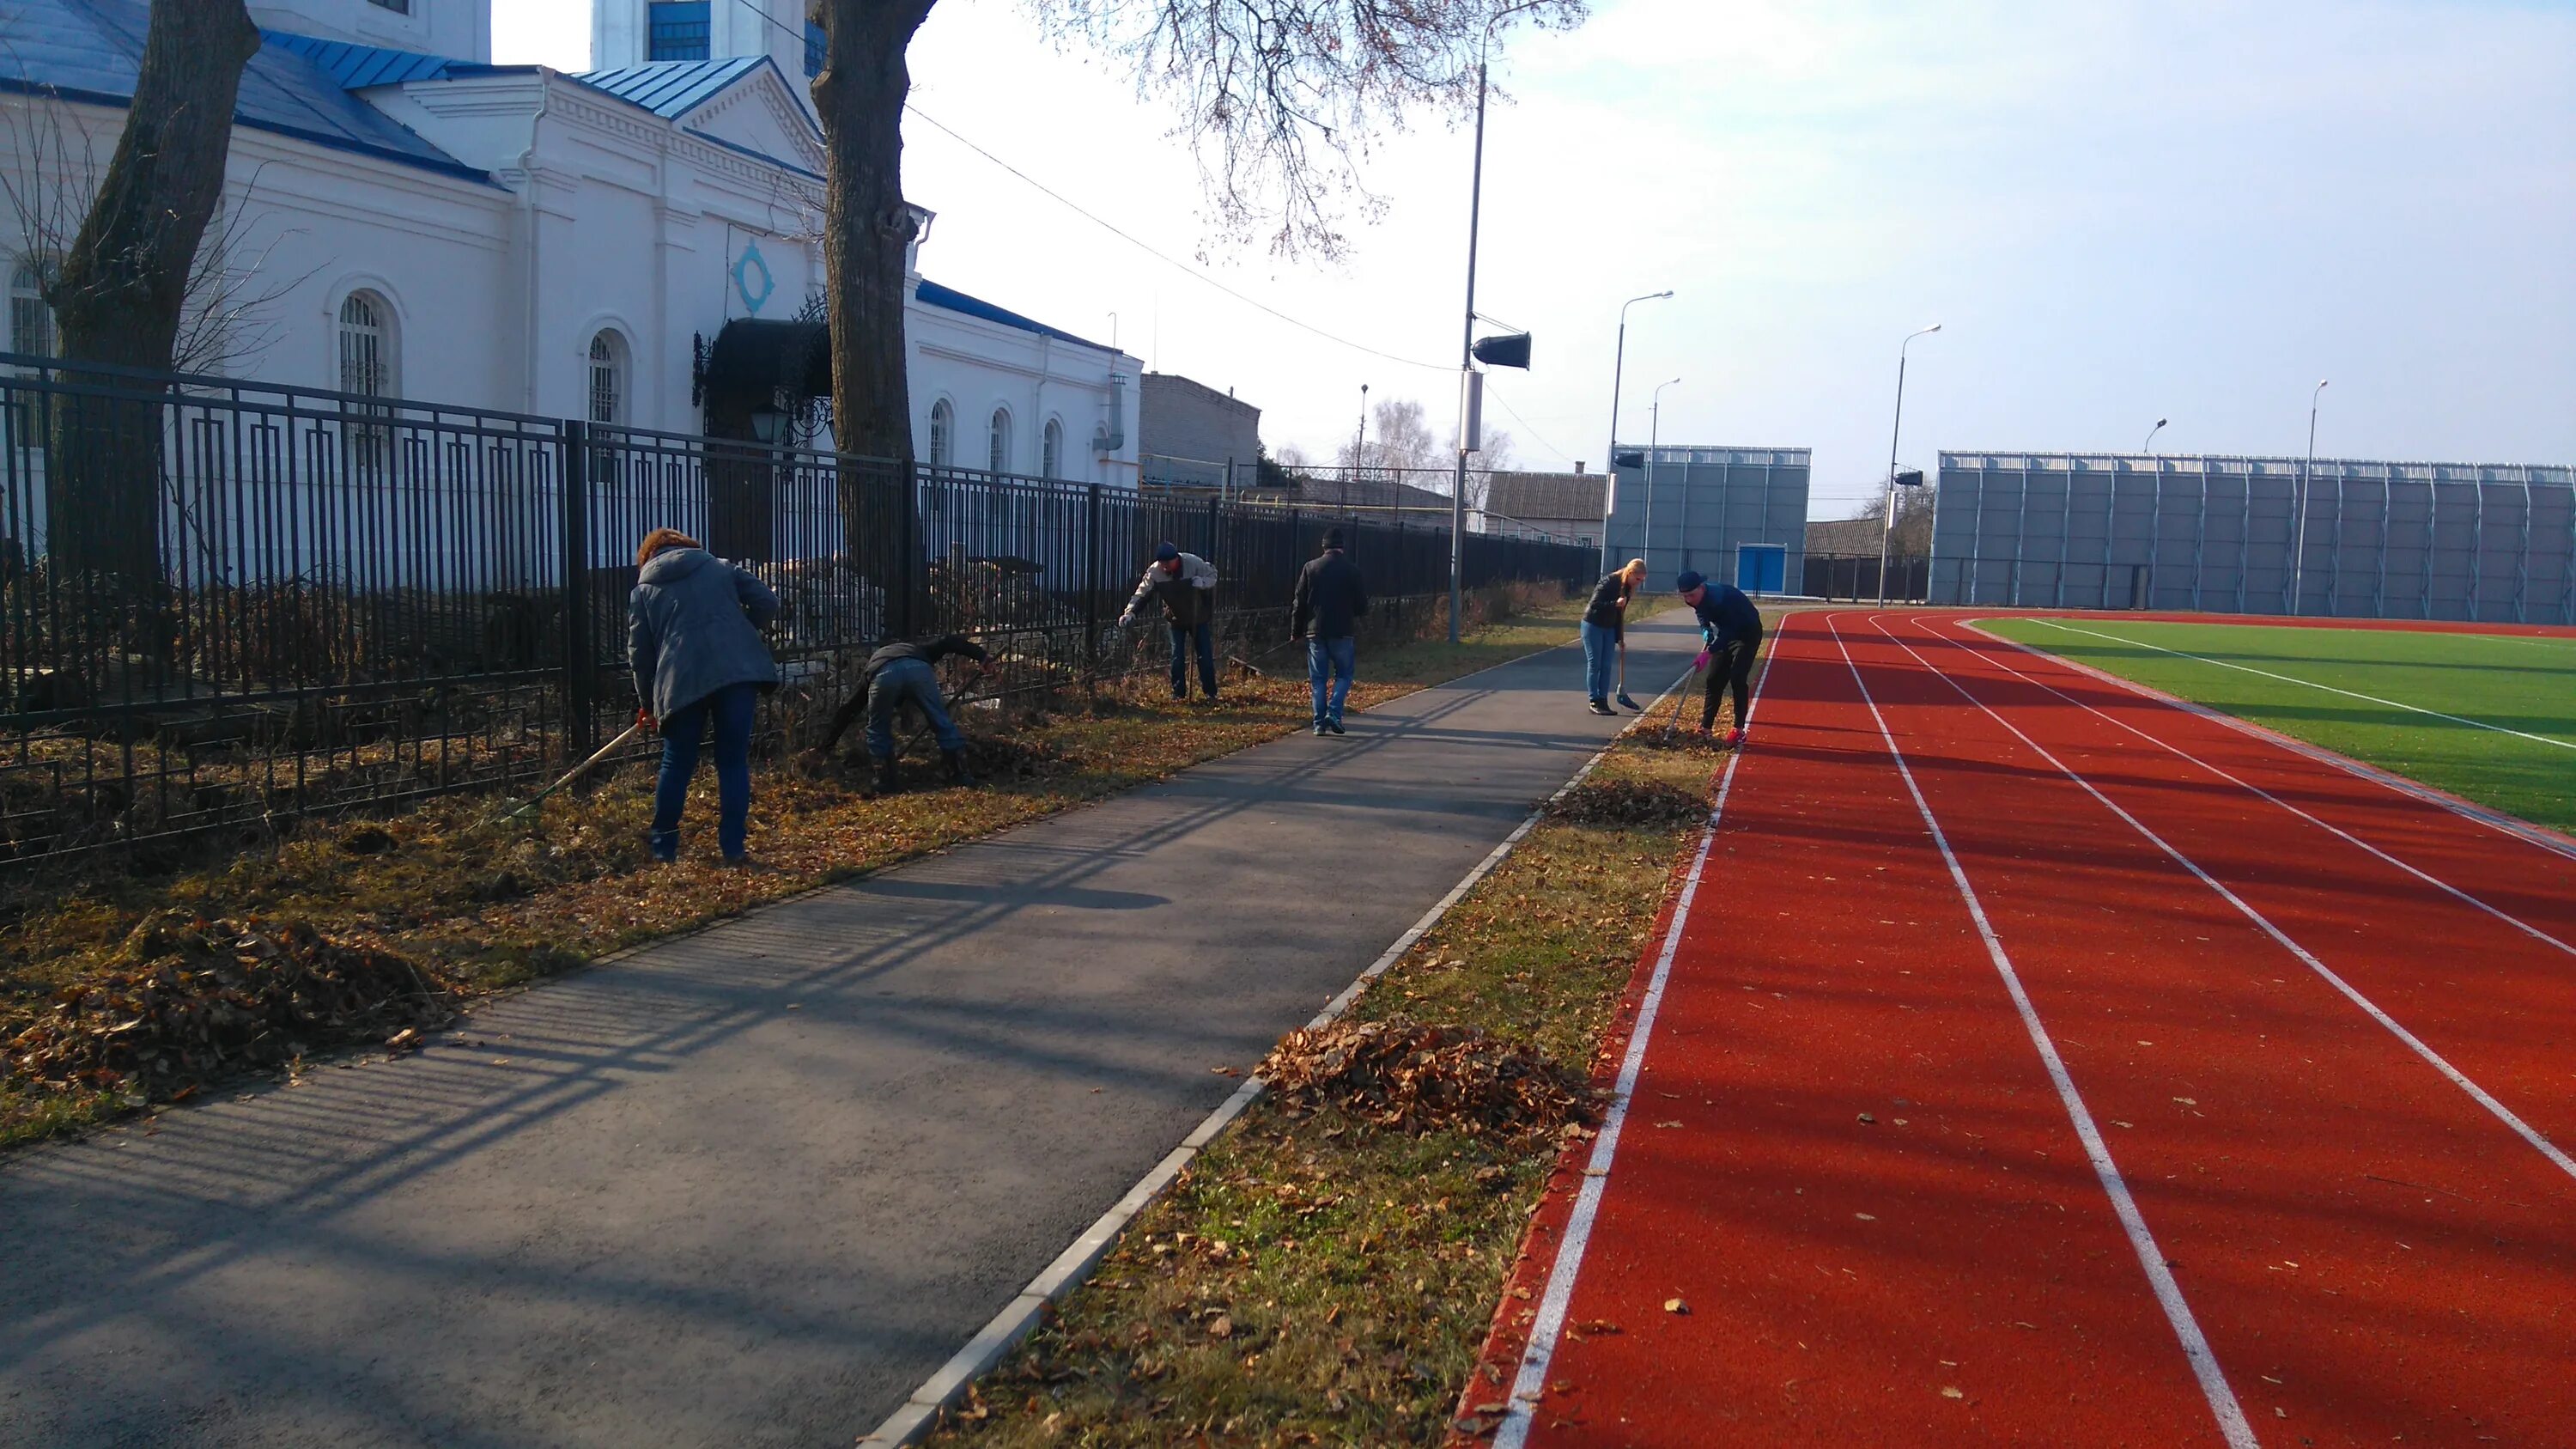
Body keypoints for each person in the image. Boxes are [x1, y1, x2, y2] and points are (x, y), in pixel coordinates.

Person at [629, 527, 781, 864]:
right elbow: (768, 601)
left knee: (677, 762)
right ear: (688, 546)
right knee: (732, 761)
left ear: (648, 557)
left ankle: (664, 849)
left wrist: (647, 704)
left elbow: (641, 655)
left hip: (681, 682)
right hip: (736, 674)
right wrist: (743, 630)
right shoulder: (721, 567)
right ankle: (733, 848)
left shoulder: (643, 591)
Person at [814, 633, 993, 795]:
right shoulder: (920, 649)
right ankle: (960, 774)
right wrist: (981, 656)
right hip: (918, 669)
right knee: (940, 720)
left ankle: (886, 780)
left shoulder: (874, 663)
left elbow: (849, 709)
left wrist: (826, 746)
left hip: (883, 674)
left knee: (878, 728)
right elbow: (948, 641)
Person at [1119, 541, 1220, 701]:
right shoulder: (1155, 572)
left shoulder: (1192, 562)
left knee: (1204, 656)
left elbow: (1213, 574)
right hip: (1175, 619)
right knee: (1177, 656)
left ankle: (1211, 693)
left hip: (1198, 617)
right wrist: (1130, 612)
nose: (1165, 566)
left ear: (1176, 559)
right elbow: (1142, 594)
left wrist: (1203, 582)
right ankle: (1178, 694)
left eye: (1168, 562)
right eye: (1162, 562)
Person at [1291, 527, 1368, 736]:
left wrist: (1296, 631)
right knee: (1344, 674)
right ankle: (1333, 712)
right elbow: (1362, 605)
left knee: (1318, 679)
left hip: (1315, 631)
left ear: (1323, 546)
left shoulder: (1310, 568)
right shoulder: (1352, 570)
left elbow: (1299, 602)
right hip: (1343, 631)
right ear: (1342, 547)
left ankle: (1318, 724)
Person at [1675, 569, 1763, 746]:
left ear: (1701, 588)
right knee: (1714, 679)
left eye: (1691, 595)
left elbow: (1731, 631)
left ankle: (1738, 729)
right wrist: (1705, 628)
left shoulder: (1721, 599)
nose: (1688, 600)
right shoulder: (1695, 598)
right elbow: (1700, 611)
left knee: (1737, 677)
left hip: (1747, 633)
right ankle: (1706, 727)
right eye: (1685, 596)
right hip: (1727, 631)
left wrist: (1709, 652)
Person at [1581, 558, 1647, 715]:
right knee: (1595, 663)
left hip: (1609, 627)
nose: (1639, 583)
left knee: (1606, 665)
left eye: (1642, 580)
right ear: (1630, 573)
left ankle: (1603, 701)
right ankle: (1594, 700)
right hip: (1593, 625)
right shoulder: (1609, 581)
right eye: (1638, 579)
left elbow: (1620, 616)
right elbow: (1594, 604)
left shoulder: (1627, 589)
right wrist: (1614, 603)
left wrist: (1619, 639)